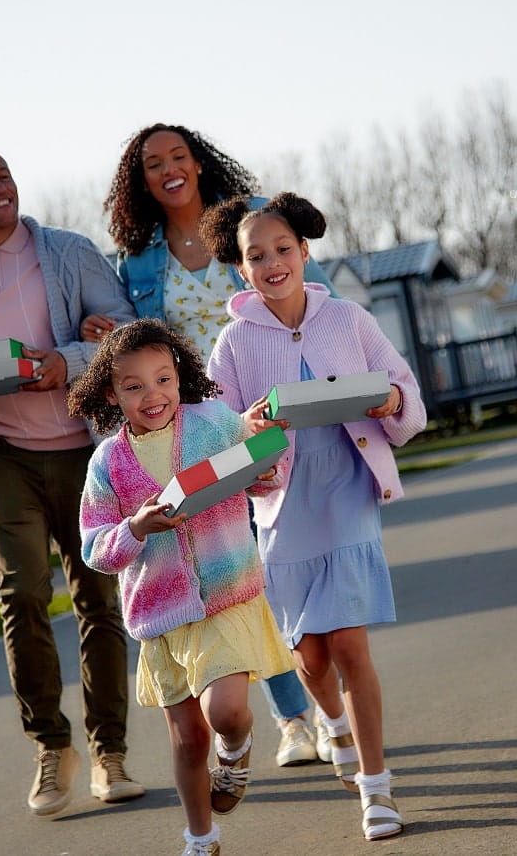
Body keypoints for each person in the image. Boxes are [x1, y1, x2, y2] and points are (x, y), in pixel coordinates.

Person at [86, 122, 335, 769]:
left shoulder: (249, 225)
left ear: (198, 163)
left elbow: (304, 291)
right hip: (188, 431)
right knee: (233, 575)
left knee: (264, 575)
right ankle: (294, 722)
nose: (168, 170)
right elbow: (131, 343)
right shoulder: (139, 260)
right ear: (139, 183)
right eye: (152, 164)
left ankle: (316, 708)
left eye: (178, 157)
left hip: (249, 414)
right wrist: (99, 329)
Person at [0, 147, 144, 818]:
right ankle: (50, 744)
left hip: (83, 450)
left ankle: (110, 752)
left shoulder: (68, 253)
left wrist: (65, 361)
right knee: (22, 593)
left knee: (99, 599)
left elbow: (126, 331)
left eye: (3, 175)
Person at [199, 193, 426, 842]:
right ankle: (330, 724)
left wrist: (389, 398)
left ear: (304, 252)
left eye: (282, 249)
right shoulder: (234, 341)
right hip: (282, 505)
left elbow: (405, 394)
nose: (272, 263)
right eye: (256, 256)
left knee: (351, 645)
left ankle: (376, 791)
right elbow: (219, 430)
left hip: (346, 488)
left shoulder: (348, 318)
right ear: (240, 270)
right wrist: (250, 427)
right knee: (310, 655)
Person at [69, 318, 295, 856]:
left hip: (227, 595)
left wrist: (266, 467)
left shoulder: (213, 422)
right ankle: (201, 837)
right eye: (134, 386)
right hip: (162, 616)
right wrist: (135, 529)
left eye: (163, 379)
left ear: (180, 377)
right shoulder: (108, 464)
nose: (153, 395)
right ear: (111, 392)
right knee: (188, 737)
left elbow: (266, 469)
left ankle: (235, 751)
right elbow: (94, 546)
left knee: (225, 714)